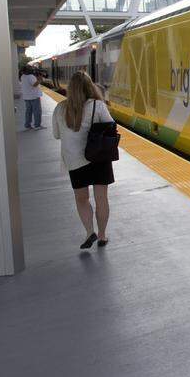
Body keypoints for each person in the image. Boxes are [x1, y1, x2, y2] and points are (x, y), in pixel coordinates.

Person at [52, 71, 114, 249]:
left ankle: (89, 232)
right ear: (90, 86)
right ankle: (102, 235)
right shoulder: (98, 106)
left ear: (70, 89)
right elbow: (111, 127)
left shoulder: (60, 108)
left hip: (74, 160)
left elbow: (56, 135)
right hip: (98, 158)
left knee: (81, 198)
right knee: (101, 198)